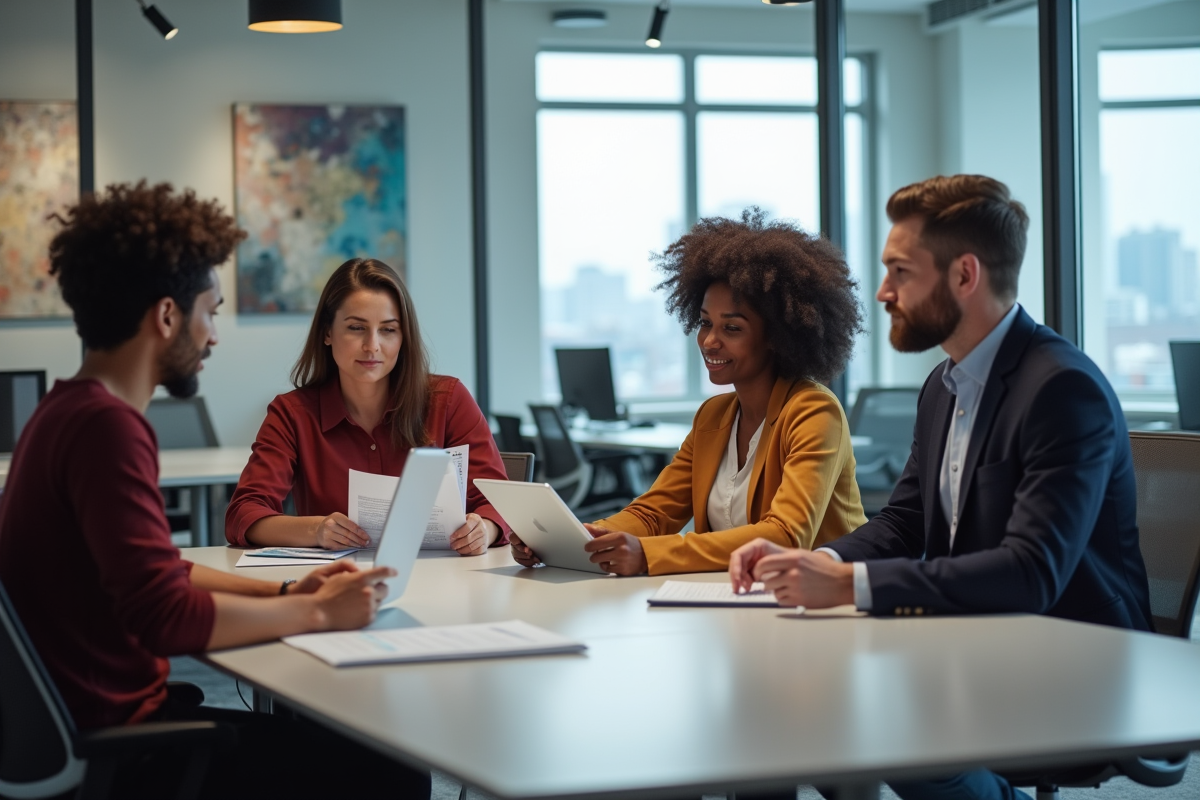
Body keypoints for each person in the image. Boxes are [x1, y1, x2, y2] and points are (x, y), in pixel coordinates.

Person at [0, 182, 429, 799]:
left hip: (96, 724)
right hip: (129, 749)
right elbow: (165, 616)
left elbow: (159, 568)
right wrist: (315, 612)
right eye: (212, 311)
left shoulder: (62, 410)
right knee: (392, 770)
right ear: (167, 315)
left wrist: (284, 588)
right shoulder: (108, 429)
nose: (214, 336)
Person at [730, 175, 1153, 800]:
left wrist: (849, 585)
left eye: (901, 272)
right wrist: (819, 559)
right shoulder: (943, 386)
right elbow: (904, 523)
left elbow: (1032, 572)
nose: (883, 292)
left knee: (881, 727)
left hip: (1074, 661)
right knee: (798, 696)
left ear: (964, 276)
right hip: (974, 636)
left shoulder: (1062, 390)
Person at [512, 208, 867, 576]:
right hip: (733, 601)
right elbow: (654, 513)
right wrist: (581, 538)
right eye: (705, 323)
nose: (709, 342)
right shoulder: (713, 416)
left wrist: (649, 555)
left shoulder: (814, 411)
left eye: (732, 328)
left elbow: (785, 535)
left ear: (777, 337)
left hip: (823, 605)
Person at [225, 257, 510, 555]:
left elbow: (498, 505)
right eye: (356, 328)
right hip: (338, 587)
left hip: (448, 582)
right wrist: (316, 530)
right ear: (327, 332)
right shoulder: (292, 415)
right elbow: (243, 514)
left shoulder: (448, 401)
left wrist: (484, 529)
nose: (372, 345)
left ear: (403, 337)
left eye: (388, 330)